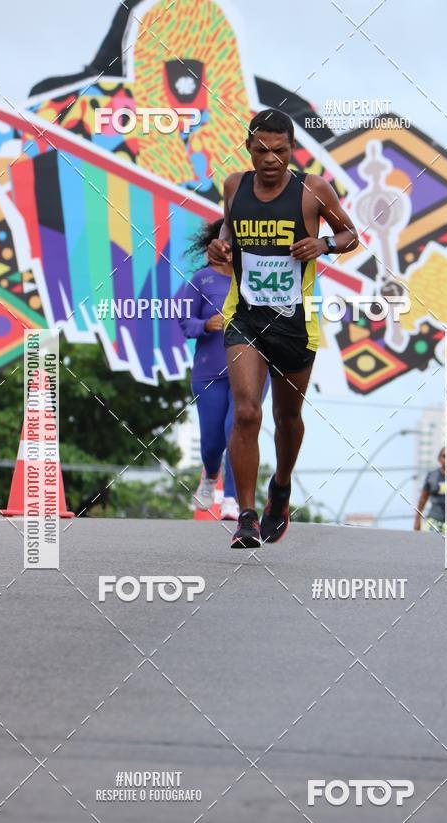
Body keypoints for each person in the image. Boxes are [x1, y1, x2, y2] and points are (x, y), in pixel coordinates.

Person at [208, 108, 359, 548]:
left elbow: (350, 234)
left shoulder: (313, 190)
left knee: (287, 418)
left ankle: (281, 487)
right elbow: (229, 229)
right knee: (247, 412)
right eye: (261, 150)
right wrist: (222, 245)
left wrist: (323, 244)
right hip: (245, 317)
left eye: (280, 150)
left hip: (294, 322)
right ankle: (247, 517)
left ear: (292, 149)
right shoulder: (234, 186)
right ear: (248, 149)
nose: (271, 159)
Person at [178, 219, 239, 520]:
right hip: (209, 373)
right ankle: (211, 475)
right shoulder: (201, 280)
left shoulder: (255, 280)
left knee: (237, 428)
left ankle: (232, 499)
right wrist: (205, 324)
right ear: (215, 245)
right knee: (213, 442)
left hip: (251, 371)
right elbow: (183, 319)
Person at [414, 447, 447, 533]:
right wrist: (417, 519)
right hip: (434, 521)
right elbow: (423, 499)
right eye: (444, 456)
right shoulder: (432, 476)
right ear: (439, 459)